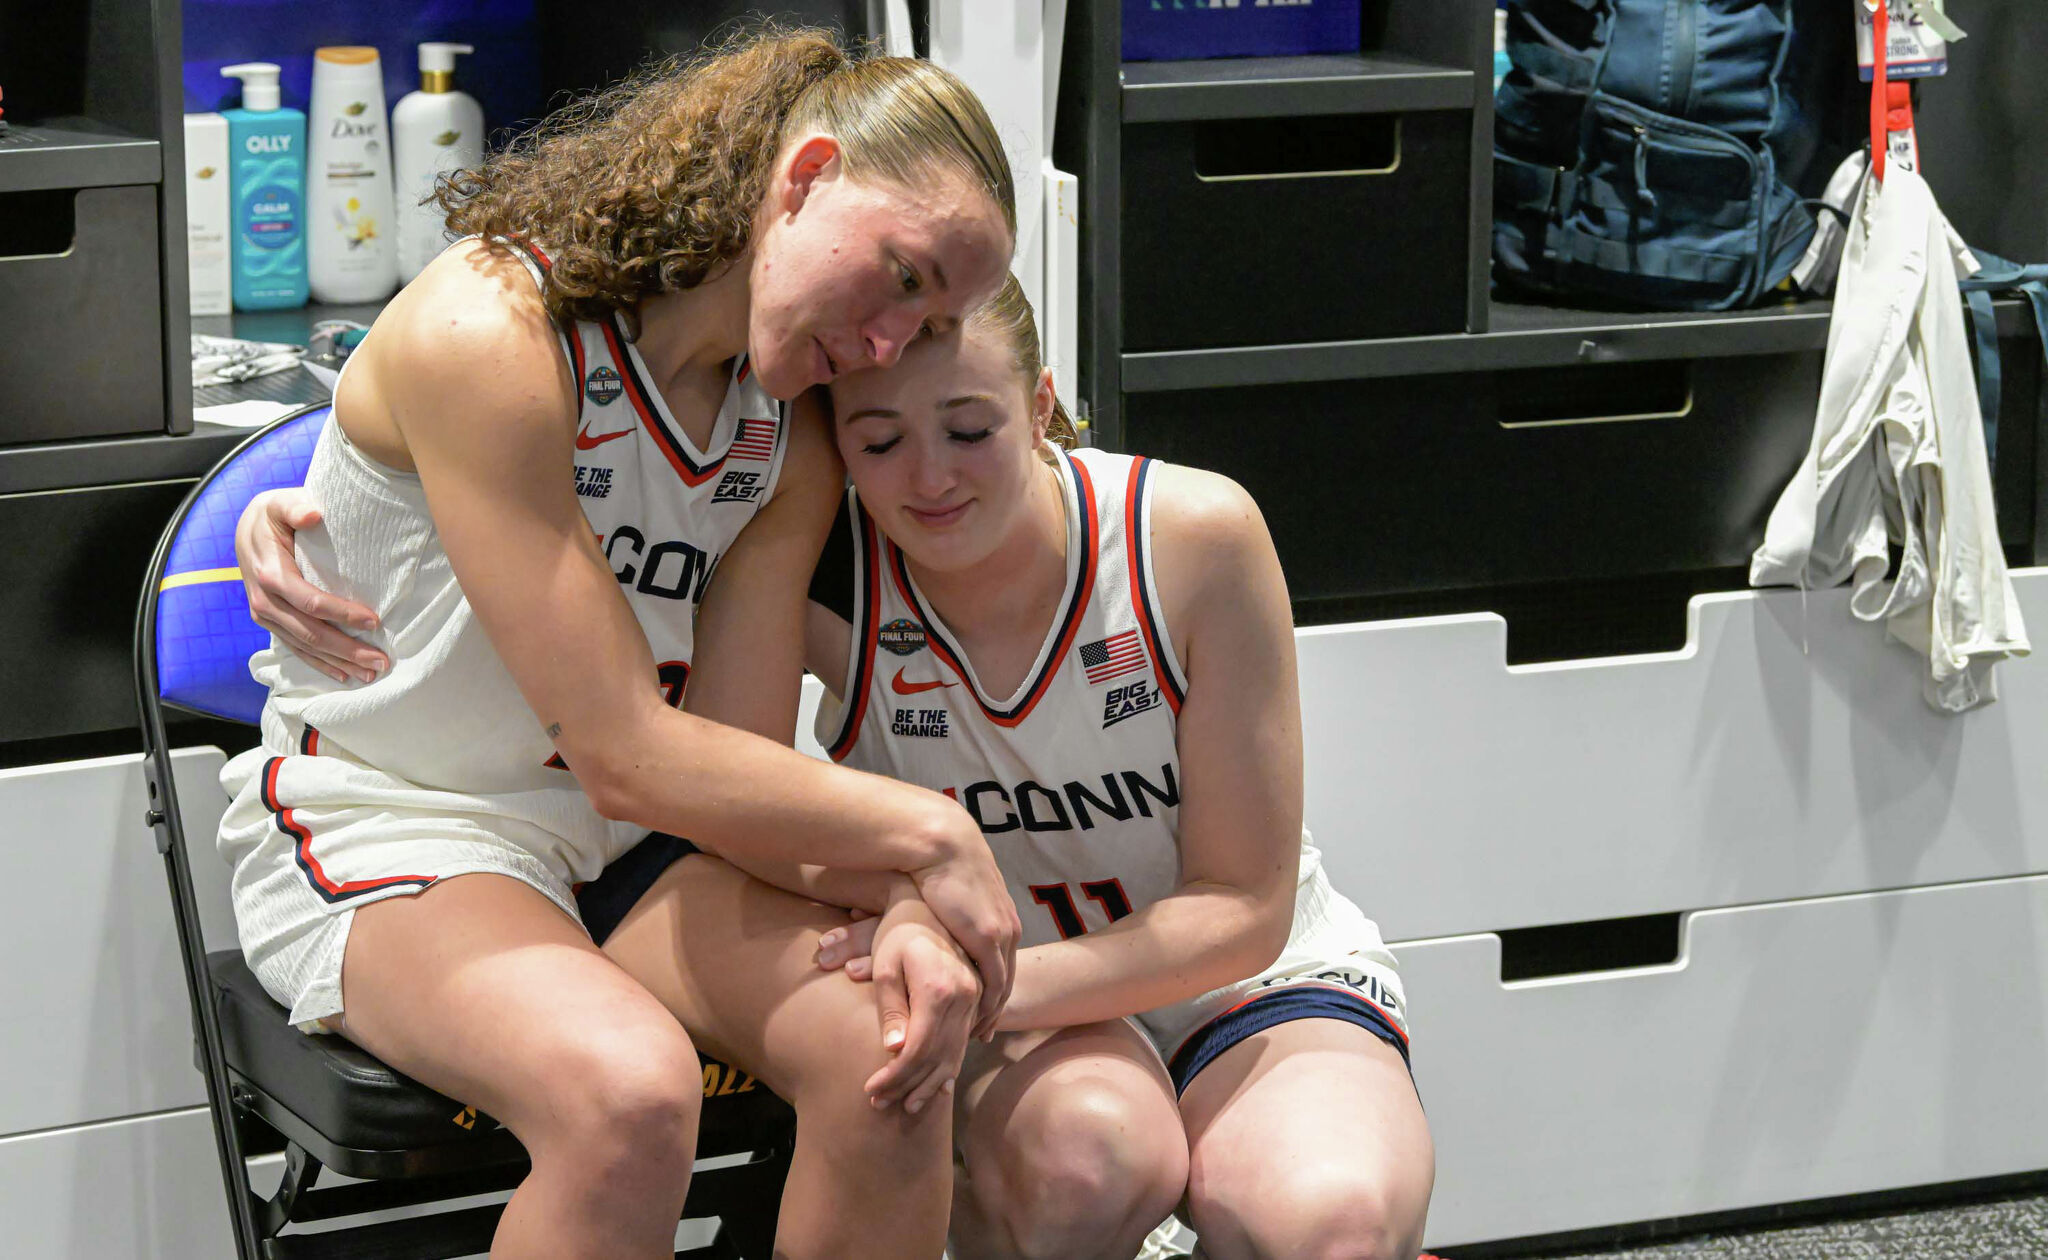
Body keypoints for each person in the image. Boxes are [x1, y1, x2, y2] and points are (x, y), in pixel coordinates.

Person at [245, 271, 1437, 1259]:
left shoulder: (1186, 534)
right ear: (838, 447)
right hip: (1006, 994)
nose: (930, 475)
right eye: (880, 438)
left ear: (1040, 401)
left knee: (1325, 1220)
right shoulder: (815, 551)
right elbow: (714, 769)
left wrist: (952, 953)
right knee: (1086, 1160)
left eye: (970, 427)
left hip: (1196, 978)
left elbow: (1239, 910)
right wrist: (289, 506)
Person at [219, 28, 1021, 1260]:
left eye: (932, 323)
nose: (883, 349)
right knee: (627, 1091)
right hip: (401, 821)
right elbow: (619, 750)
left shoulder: (785, 425)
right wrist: (925, 838)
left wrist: (899, 902)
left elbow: (731, 762)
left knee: (892, 1048)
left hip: (633, 848)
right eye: (903, 278)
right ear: (802, 180)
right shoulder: (492, 334)